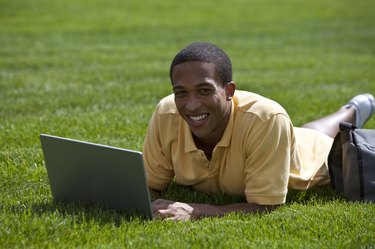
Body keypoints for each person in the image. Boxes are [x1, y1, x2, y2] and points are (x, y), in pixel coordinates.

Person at [142, 42, 375, 221]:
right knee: (307, 130)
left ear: (229, 90)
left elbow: (267, 205)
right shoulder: (166, 114)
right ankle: (353, 108)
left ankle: (352, 111)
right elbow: (150, 184)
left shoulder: (267, 120)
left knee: (322, 136)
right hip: (287, 136)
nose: (191, 105)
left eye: (204, 90)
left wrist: (200, 210)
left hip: (319, 156)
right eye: (181, 93)